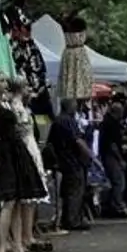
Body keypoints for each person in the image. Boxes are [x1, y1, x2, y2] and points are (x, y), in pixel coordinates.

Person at [0, 74, 48, 252]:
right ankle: (3, 247)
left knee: (17, 200)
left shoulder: (6, 103)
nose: (5, 84)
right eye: (1, 80)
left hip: (15, 152)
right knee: (7, 201)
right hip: (3, 152)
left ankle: (18, 245)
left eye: (6, 81)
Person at [47, 98, 94, 231]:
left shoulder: (58, 120)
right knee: (75, 190)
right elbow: (77, 140)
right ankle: (73, 220)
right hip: (71, 160)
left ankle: (68, 218)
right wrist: (90, 155)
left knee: (69, 190)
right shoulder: (67, 120)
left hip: (63, 160)